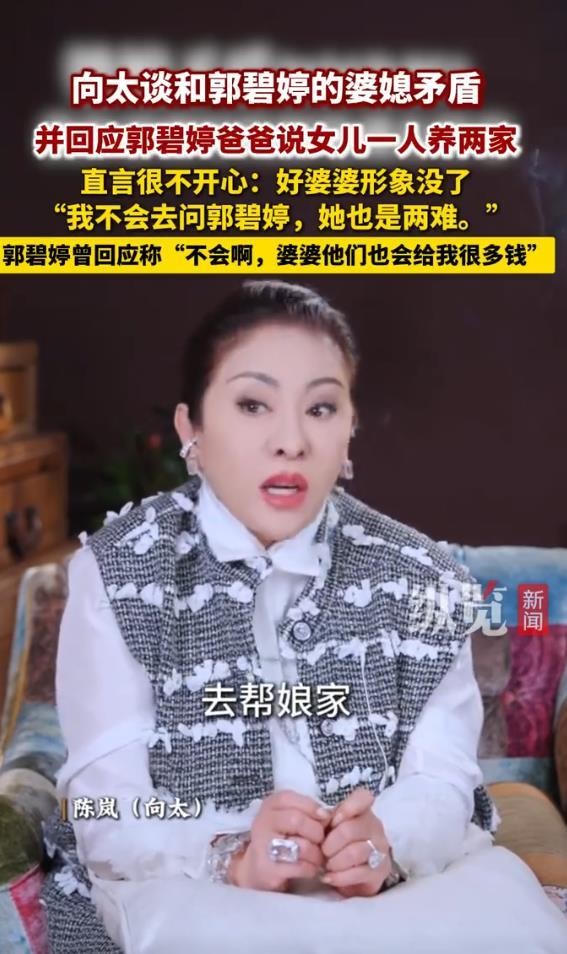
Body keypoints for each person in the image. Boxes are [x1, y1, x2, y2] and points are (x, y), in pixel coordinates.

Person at [42, 280, 567, 953]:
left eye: (320, 407)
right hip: (189, 881)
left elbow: (442, 775)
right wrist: (231, 855)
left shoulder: (421, 573)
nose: (290, 441)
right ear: (190, 429)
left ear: (348, 429)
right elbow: (104, 806)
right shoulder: (120, 570)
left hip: (402, 885)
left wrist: (386, 842)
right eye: (252, 404)